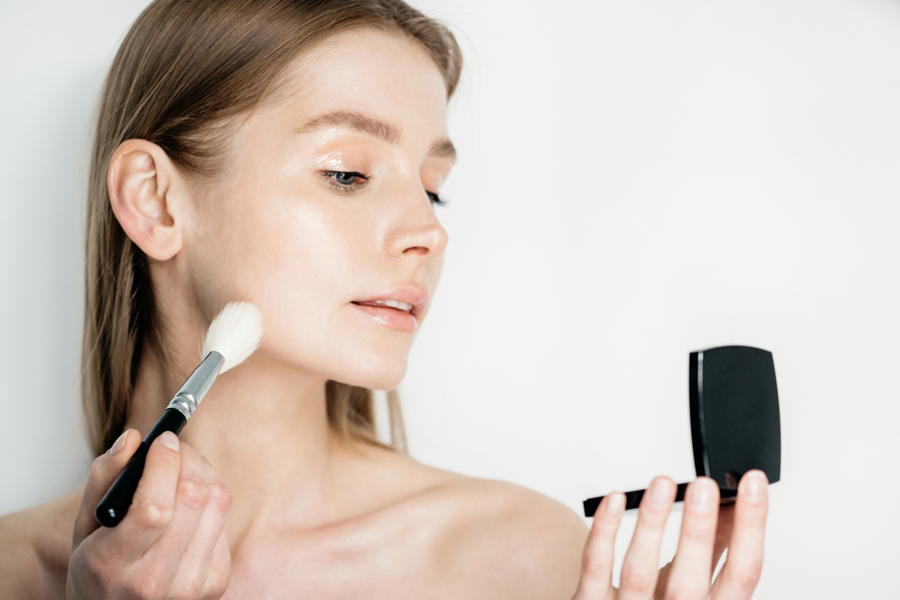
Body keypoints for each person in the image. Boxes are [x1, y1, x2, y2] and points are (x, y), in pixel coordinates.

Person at [0, 1, 769, 598]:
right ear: (156, 201)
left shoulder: (526, 560)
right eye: (347, 173)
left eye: (434, 188)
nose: (428, 231)